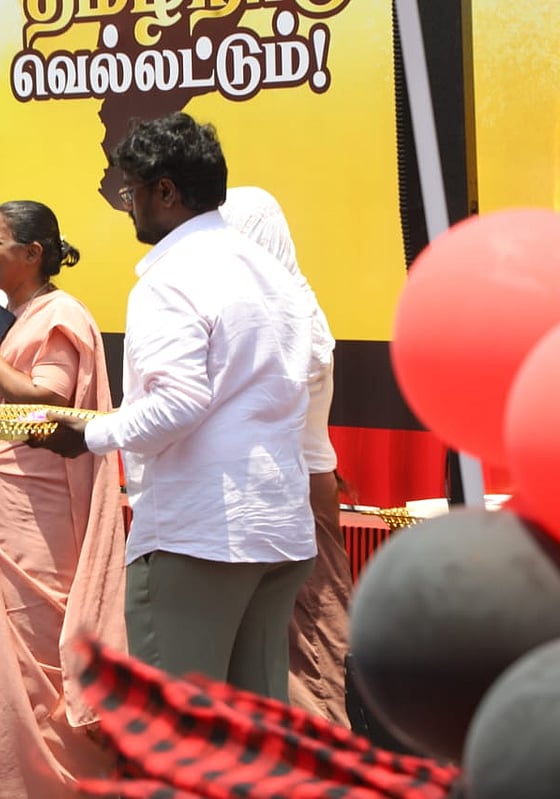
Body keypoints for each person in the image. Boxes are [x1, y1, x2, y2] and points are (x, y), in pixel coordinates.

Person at [33, 113, 321, 700]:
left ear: (165, 192)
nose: (129, 207)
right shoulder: (271, 273)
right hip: (278, 528)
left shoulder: (172, 276)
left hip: (199, 537)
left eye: (131, 192)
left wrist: (87, 435)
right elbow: (310, 366)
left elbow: (180, 402)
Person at [0, 201, 126, 798]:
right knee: (1, 663)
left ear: (33, 253)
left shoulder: (59, 314)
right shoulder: (6, 320)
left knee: (35, 659)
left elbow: (50, 404)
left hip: (35, 524)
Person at [220, 185, 351, 725]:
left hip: (288, 500)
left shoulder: (285, 319)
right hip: (291, 495)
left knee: (306, 652)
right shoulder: (290, 310)